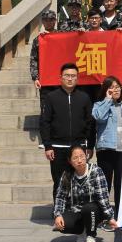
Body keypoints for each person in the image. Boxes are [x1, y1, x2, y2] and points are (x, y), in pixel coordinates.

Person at [40, 63, 96, 202]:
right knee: (59, 182)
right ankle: (59, 211)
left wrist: (90, 146)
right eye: (67, 76)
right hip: (57, 148)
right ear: (61, 77)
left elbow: (90, 123)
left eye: (73, 76)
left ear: (77, 78)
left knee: (80, 180)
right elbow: (45, 122)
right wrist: (48, 145)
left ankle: (77, 210)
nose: (70, 79)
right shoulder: (51, 97)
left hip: (79, 147)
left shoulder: (84, 97)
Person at [52, 145, 118, 242]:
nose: (79, 160)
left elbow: (103, 197)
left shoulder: (96, 171)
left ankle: (91, 236)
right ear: (69, 161)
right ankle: (82, 230)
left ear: (86, 156)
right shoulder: (67, 174)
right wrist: (58, 215)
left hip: (95, 211)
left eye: (82, 156)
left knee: (89, 208)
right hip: (76, 211)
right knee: (63, 225)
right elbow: (60, 197)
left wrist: (110, 217)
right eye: (75, 158)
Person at [92, 76, 122, 212]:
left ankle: (119, 214)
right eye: (112, 87)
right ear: (106, 90)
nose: (116, 89)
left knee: (120, 184)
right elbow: (99, 117)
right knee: (105, 184)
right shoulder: (98, 105)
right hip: (106, 150)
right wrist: (107, 100)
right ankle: (104, 214)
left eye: (117, 86)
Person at [29, 9, 57, 91]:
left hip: (60, 79)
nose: (48, 22)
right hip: (45, 79)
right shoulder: (38, 40)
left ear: (55, 21)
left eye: (51, 20)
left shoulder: (62, 36)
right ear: (42, 22)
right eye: (45, 20)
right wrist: (35, 78)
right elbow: (34, 59)